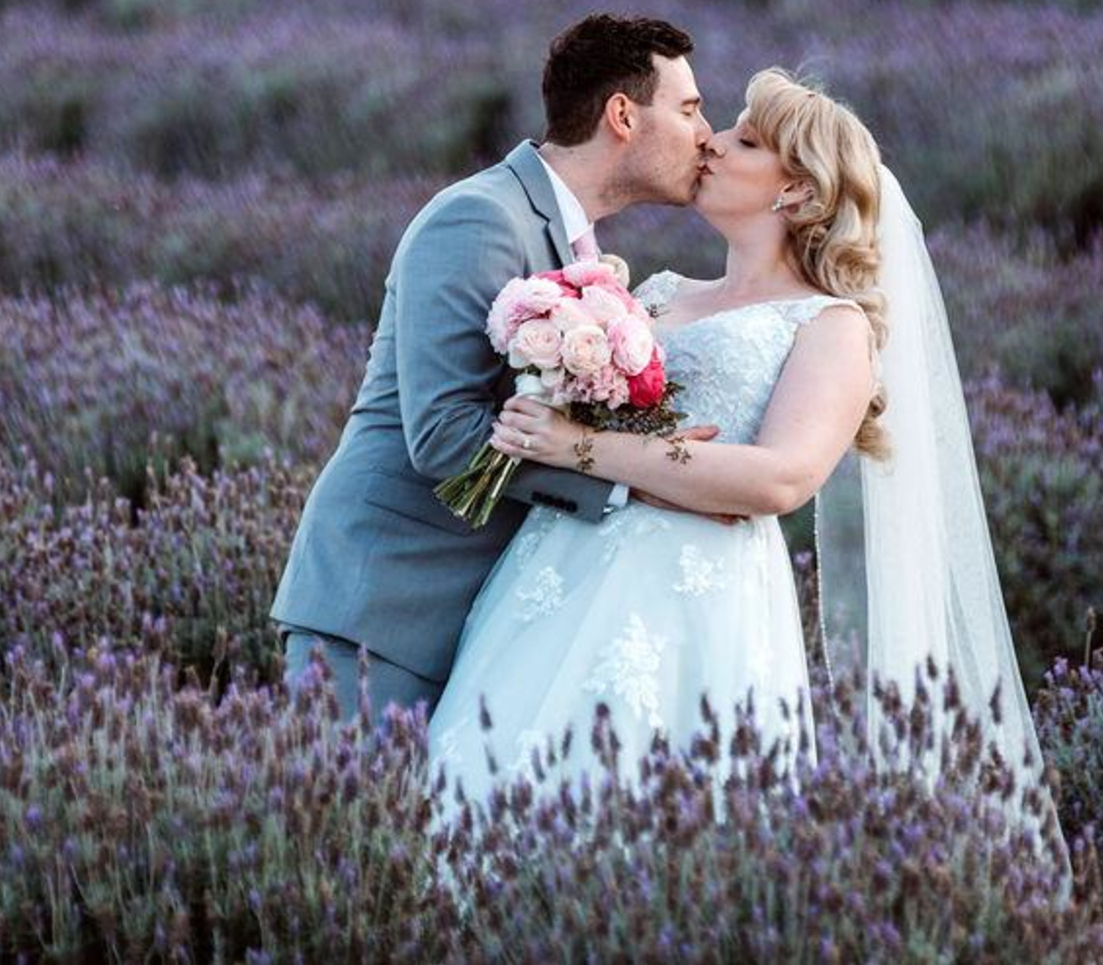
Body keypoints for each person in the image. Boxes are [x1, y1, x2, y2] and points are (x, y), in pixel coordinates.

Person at [432, 69, 1063, 869]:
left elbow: (778, 479)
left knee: (647, 834)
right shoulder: (654, 294)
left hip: (696, 599)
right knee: (486, 795)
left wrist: (577, 446)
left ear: (795, 192)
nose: (711, 142)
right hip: (557, 575)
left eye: (746, 141)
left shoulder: (830, 326)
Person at [270, 13, 714, 726]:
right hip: (383, 615)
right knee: (345, 834)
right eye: (690, 109)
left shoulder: (575, 245)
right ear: (623, 115)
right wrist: (636, 478)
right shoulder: (480, 220)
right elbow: (444, 436)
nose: (706, 134)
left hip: (485, 631)